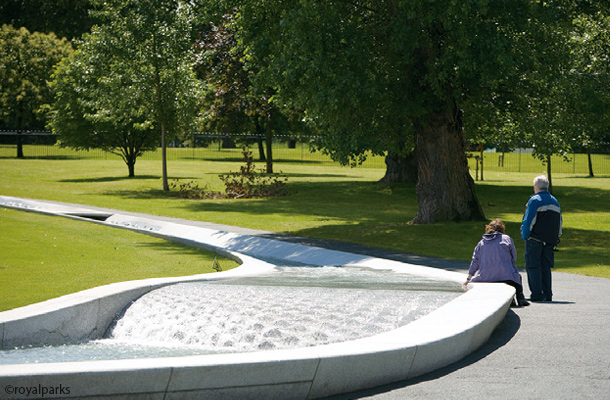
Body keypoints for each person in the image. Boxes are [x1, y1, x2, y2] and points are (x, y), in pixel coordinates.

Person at [464, 219, 530, 307]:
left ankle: (511, 300)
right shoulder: (506, 239)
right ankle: (520, 298)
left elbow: (475, 261)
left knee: (511, 275)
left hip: (486, 277)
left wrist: (469, 277)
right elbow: (513, 256)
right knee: (516, 277)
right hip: (506, 276)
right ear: (502, 229)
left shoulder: (481, 243)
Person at [520, 174, 562, 302]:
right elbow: (559, 222)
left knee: (533, 265)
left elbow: (529, 221)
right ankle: (547, 294)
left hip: (535, 238)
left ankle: (537, 294)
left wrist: (525, 235)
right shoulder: (555, 201)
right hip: (549, 240)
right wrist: (556, 237)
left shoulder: (535, 200)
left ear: (536, 186)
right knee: (545, 266)